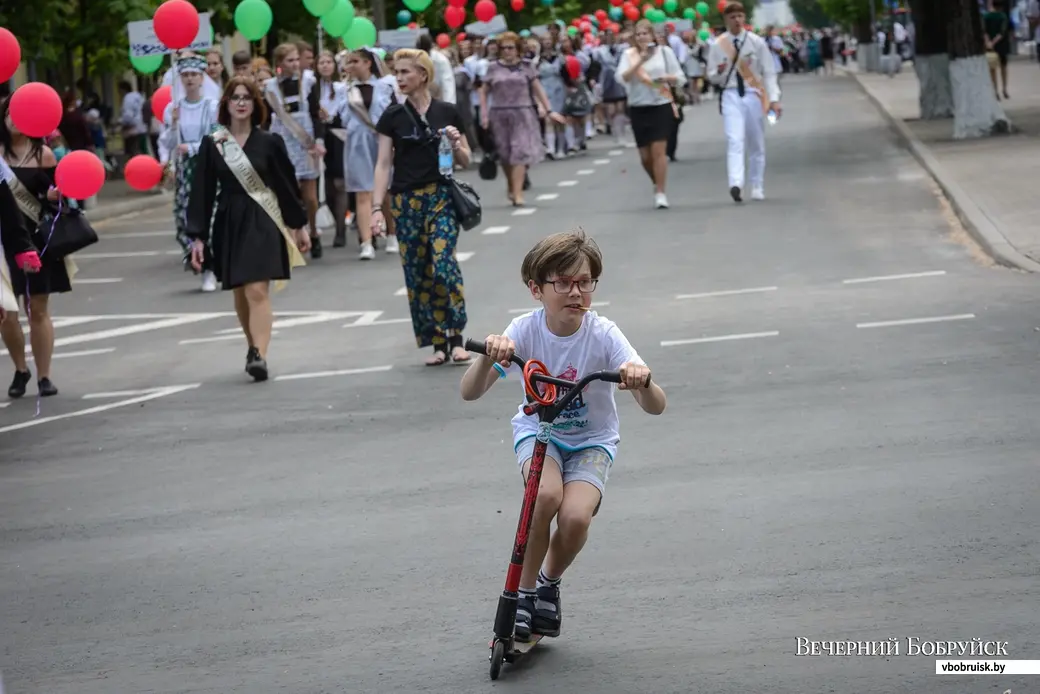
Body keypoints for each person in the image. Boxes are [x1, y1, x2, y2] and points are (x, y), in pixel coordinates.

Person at [459, 229, 667, 641]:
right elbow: (470, 392)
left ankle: (547, 584)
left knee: (574, 517)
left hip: (593, 441)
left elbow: (656, 405)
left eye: (585, 282)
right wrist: (487, 356)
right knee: (546, 496)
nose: (576, 293)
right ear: (536, 289)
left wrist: (641, 381)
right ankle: (522, 595)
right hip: (541, 434)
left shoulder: (604, 334)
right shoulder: (525, 330)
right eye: (564, 283)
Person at [185, 77, 311, 382]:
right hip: (229, 219)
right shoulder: (214, 142)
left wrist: (299, 225)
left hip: (263, 218)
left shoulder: (270, 142)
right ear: (226, 104)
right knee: (241, 291)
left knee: (257, 288)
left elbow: (285, 185)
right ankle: (253, 345)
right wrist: (197, 237)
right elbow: (201, 191)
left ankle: (260, 355)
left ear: (256, 105)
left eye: (247, 98)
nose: (241, 103)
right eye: (235, 97)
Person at [371, 48, 473, 366]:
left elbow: (466, 159)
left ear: (423, 75)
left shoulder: (447, 112)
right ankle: (437, 342)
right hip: (405, 201)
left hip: (441, 196)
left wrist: (456, 144)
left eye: (405, 72)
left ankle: (456, 336)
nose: (399, 78)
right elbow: (383, 163)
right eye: (396, 72)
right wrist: (377, 208)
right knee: (418, 272)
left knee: (443, 263)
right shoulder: (392, 116)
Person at [706, 2, 781, 203]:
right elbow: (711, 76)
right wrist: (720, 71)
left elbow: (769, 71)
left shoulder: (755, 42)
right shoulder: (718, 44)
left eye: (740, 16)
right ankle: (736, 183)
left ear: (744, 18)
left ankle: (757, 184)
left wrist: (773, 99)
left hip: (754, 93)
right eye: (732, 17)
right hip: (731, 94)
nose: (737, 20)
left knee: (756, 142)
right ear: (726, 20)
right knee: (734, 139)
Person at [157, 54, 220, 291]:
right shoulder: (173, 109)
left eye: (194, 75)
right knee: (185, 215)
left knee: (210, 214)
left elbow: (217, 137)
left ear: (202, 77)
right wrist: (173, 125)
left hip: (206, 166)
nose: (190, 79)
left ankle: (212, 266)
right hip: (186, 169)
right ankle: (198, 262)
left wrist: (193, 147)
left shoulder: (212, 107)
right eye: (185, 75)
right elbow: (169, 141)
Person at [616, 19, 686, 209]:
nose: (641, 37)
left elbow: (680, 77)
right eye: (638, 34)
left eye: (645, 33)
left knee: (658, 152)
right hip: (638, 107)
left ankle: (661, 192)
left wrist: (666, 78)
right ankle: (656, 180)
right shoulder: (628, 55)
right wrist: (641, 59)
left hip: (661, 105)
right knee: (645, 157)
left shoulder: (665, 52)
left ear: (653, 35)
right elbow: (622, 77)